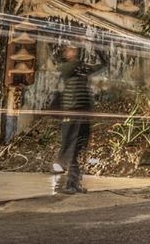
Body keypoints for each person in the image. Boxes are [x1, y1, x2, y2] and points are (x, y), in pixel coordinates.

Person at [55, 43, 107, 194]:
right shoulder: (66, 67)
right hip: (71, 113)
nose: (74, 51)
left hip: (83, 113)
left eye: (75, 49)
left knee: (78, 148)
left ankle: (74, 182)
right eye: (70, 49)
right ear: (65, 54)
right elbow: (71, 67)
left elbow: (104, 64)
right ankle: (66, 184)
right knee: (70, 149)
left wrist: (97, 47)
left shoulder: (82, 68)